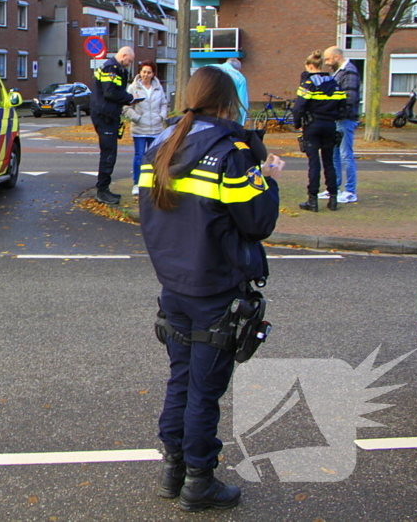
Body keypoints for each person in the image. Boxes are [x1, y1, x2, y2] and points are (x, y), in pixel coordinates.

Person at [137, 66, 284, 512]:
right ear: (227, 103)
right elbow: (258, 223)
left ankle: (173, 469)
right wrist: (270, 178)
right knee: (205, 388)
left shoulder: (162, 144)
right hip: (217, 289)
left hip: (175, 286)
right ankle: (199, 482)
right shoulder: (230, 152)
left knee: (181, 379)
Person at [293, 51, 347, 212]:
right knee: (329, 162)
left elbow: (298, 107)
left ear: (310, 66)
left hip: (312, 126)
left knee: (314, 164)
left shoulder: (308, 83)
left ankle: (313, 200)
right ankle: (333, 199)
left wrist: (298, 124)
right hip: (330, 126)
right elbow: (343, 108)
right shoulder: (334, 83)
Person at [90, 45, 135, 204]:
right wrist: (129, 97)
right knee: (108, 154)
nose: (129, 64)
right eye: (129, 60)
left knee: (109, 153)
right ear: (123, 56)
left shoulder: (113, 67)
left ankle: (104, 189)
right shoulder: (111, 68)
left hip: (107, 115)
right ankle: (102, 191)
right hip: (105, 116)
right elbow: (110, 92)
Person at [124, 60, 169, 195]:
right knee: (139, 156)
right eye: (144, 71)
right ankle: (137, 183)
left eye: (149, 72)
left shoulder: (158, 87)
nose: (146, 75)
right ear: (140, 72)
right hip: (139, 129)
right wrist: (137, 118)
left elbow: (164, 103)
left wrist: (161, 116)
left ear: (153, 74)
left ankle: (152, 182)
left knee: (154, 157)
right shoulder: (133, 88)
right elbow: (126, 107)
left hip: (156, 129)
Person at [322, 46, 360, 203]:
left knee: (346, 155)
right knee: (335, 155)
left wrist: (337, 113)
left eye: (328, 59)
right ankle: (334, 188)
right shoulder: (339, 72)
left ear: (337, 57)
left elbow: (349, 98)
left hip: (345, 119)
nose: (326, 63)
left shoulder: (349, 71)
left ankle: (350, 191)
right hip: (337, 120)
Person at [213, 57, 249, 126]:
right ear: (238, 69)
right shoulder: (239, 77)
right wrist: (240, 124)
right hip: (223, 111)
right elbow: (243, 103)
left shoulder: (209, 67)